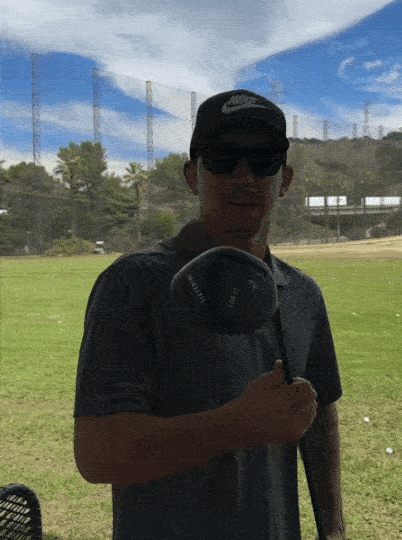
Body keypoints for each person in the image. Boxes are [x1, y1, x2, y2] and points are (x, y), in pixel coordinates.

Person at [73, 89, 346, 540]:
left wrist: (334, 531)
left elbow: (320, 422)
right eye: (222, 158)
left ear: (285, 179)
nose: (243, 175)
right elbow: (98, 454)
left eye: (263, 161)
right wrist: (237, 425)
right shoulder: (134, 283)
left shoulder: (302, 295)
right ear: (192, 175)